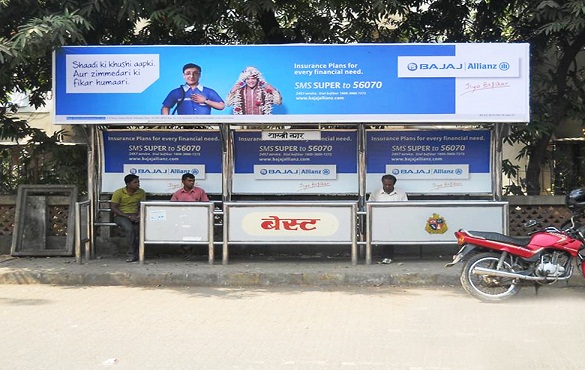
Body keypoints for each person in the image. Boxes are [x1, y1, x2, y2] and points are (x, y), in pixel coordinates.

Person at [368, 174, 408, 264]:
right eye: (385, 184)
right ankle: (385, 255)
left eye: (389, 185)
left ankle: (387, 256)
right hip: (379, 219)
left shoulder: (401, 194)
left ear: (394, 184)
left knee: (389, 236)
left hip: (396, 219)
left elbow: (405, 208)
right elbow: (370, 206)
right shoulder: (375, 193)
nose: (387, 187)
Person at [110, 174, 146, 263]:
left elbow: (142, 206)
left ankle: (138, 253)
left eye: (138, 182)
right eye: (135, 182)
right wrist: (128, 216)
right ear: (128, 184)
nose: (138, 184)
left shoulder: (141, 192)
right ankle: (131, 254)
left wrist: (138, 216)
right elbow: (114, 208)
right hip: (121, 216)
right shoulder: (118, 192)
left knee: (139, 230)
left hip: (135, 215)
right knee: (129, 229)